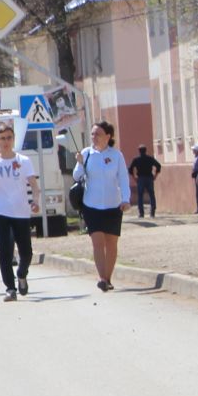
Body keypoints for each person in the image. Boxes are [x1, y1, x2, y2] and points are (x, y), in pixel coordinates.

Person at [0, 125, 35, 300]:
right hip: (1, 212)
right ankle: (10, 288)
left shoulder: (24, 161)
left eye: (9, 138)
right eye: (2, 138)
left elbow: (33, 184)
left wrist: (35, 201)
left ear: (13, 139)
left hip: (21, 211)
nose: (5, 142)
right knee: (3, 251)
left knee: (26, 252)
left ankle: (22, 273)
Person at [73, 121, 130, 291]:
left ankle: (108, 277)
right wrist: (80, 162)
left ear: (108, 136)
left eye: (98, 134)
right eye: (92, 134)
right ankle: (101, 278)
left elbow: (123, 178)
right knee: (97, 242)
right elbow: (77, 176)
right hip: (91, 205)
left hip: (113, 205)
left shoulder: (116, 155)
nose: (94, 137)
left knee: (111, 243)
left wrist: (125, 199)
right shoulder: (86, 153)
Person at [130, 142, 161, 218]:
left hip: (140, 178)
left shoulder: (136, 159)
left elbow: (130, 169)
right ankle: (152, 213)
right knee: (151, 195)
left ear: (139, 151)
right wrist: (155, 175)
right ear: (146, 150)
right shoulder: (150, 159)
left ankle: (141, 213)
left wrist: (134, 177)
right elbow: (158, 166)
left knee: (140, 196)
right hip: (149, 178)